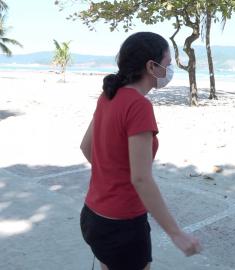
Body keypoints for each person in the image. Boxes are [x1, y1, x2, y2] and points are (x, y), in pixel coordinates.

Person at [79, 32, 201, 270]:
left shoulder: (108, 96)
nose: (169, 70)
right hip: (122, 226)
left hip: (93, 216)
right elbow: (141, 178)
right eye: (167, 64)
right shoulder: (139, 105)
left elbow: (86, 147)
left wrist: (111, 176)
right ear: (151, 66)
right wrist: (176, 233)